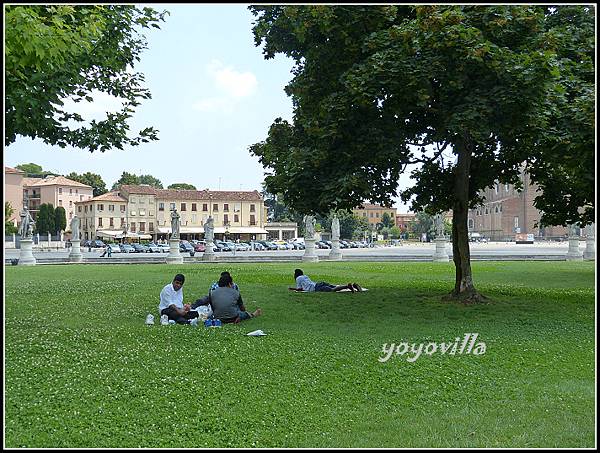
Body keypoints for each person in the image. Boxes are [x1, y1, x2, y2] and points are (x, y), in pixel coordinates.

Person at [192, 273, 261, 324]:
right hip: (233, 318)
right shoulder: (235, 292)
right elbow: (242, 309)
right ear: (229, 283)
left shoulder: (212, 292)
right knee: (244, 314)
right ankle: (253, 314)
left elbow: (214, 308)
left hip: (217, 318)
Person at [289, 268, 362, 292]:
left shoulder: (298, 279)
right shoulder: (305, 276)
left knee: (333, 290)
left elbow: (299, 289)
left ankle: (347, 286)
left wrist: (293, 289)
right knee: (334, 286)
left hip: (316, 288)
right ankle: (352, 286)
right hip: (318, 284)